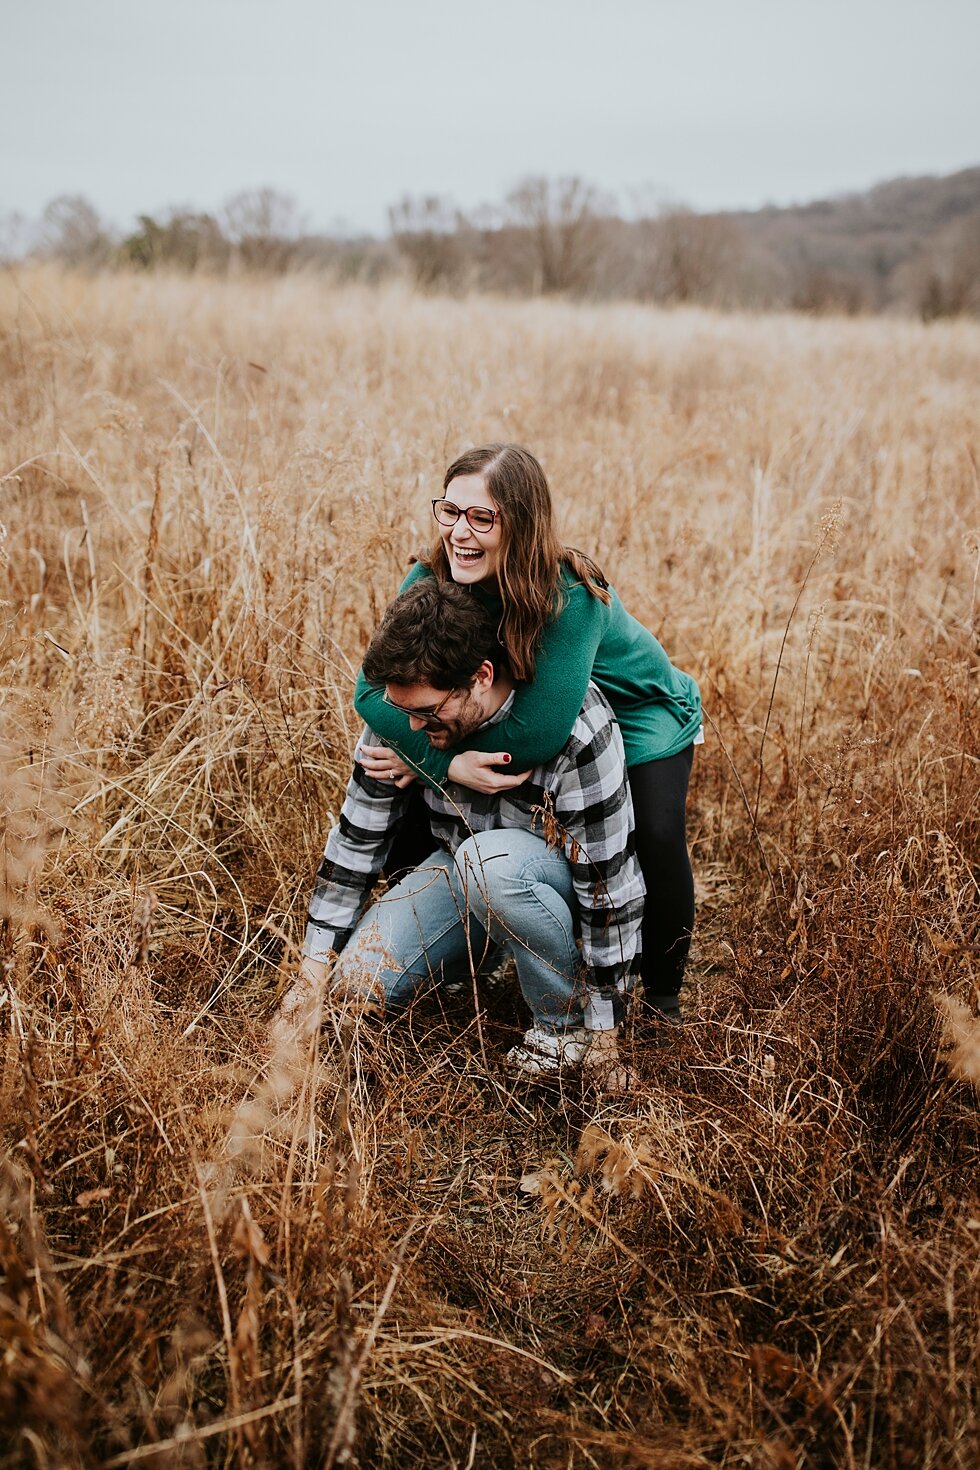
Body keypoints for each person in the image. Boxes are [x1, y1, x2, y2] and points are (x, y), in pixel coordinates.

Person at [354, 444, 701, 1023]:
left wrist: (435, 762)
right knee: (424, 796)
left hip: (638, 711)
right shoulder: (430, 575)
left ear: (522, 523)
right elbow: (372, 692)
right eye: (450, 511)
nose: (460, 532)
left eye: (481, 518)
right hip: (551, 707)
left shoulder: (568, 592)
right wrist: (432, 765)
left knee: (652, 836)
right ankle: (465, 947)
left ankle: (660, 997)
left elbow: (537, 734)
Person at [290, 577, 645, 1084]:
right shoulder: (404, 712)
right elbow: (356, 840)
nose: (411, 729)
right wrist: (310, 976)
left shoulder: (576, 731)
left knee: (489, 864)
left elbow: (611, 887)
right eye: (401, 711)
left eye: (428, 712)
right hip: (462, 872)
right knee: (356, 986)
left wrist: (606, 1036)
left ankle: (563, 1026)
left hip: (552, 886)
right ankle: (485, 958)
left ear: (481, 676)